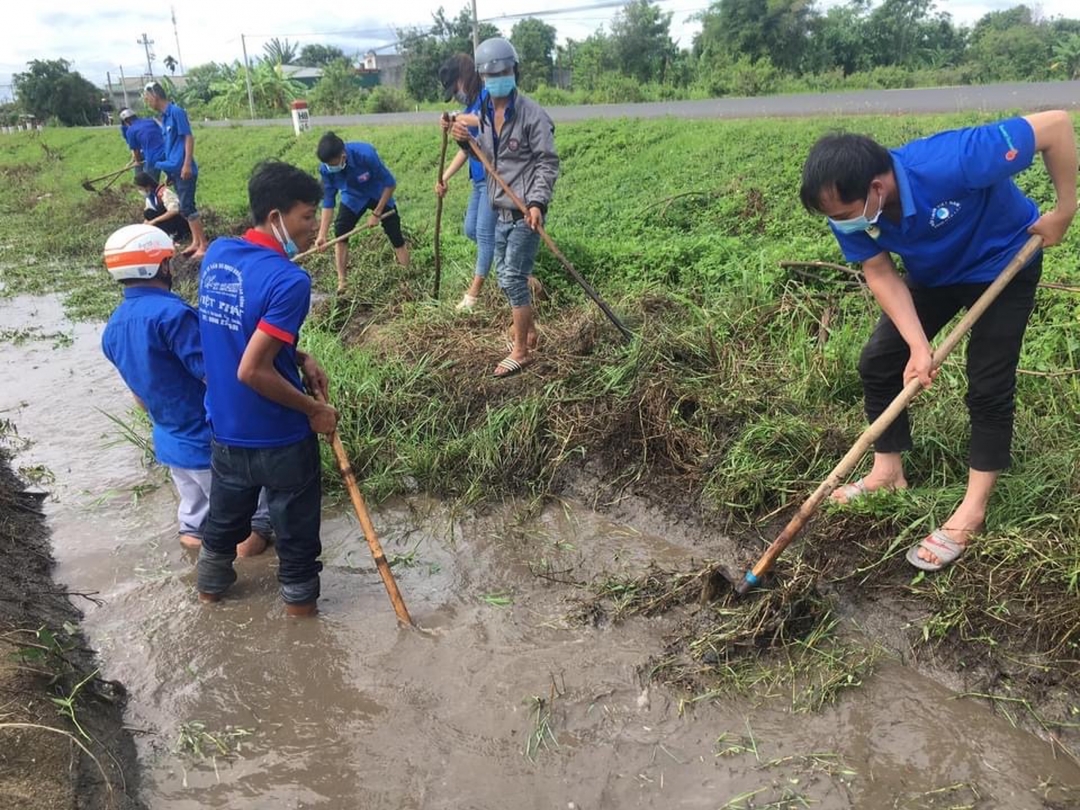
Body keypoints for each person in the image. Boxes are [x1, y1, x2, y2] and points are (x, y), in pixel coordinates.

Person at [799, 111, 1077, 571]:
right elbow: (879, 270)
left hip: (1005, 259)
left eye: (845, 215)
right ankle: (888, 473)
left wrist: (1064, 209)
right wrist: (917, 346)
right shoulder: (848, 211)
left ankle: (973, 509)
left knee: (988, 383)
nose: (841, 225)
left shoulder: (953, 160)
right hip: (935, 276)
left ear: (877, 187)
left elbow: (1056, 127)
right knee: (879, 362)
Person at [196, 160, 339, 616]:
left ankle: (209, 596)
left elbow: (238, 333)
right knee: (296, 541)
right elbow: (252, 370)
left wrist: (299, 356)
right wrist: (313, 411)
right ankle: (303, 626)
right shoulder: (290, 280)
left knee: (221, 527)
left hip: (226, 430)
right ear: (275, 216)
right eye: (305, 215)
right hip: (280, 438)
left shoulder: (217, 254)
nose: (313, 224)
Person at [100, 224, 270, 556]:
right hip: (207, 439)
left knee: (194, 522)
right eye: (168, 260)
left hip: (170, 442)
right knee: (248, 526)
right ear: (161, 266)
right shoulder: (173, 315)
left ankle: (196, 565)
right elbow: (216, 376)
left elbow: (139, 397)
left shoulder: (114, 326)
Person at [450, 37, 559, 378]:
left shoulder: (532, 115)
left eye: (504, 70)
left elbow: (546, 163)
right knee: (507, 275)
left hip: (525, 211)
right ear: (482, 77)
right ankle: (527, 331)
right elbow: (481, 156)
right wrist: (461, 140)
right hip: (498, 208)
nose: (498, 76)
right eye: (491, 73)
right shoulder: (482, 115)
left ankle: (522, 351)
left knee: (511, 277)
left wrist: (538, 202)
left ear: (514, 72)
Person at [314, 131, 410, 295]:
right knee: (341, 233)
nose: (331, 167)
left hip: (379, 193)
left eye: (333, 163)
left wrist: (378, 213)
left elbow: (390, 184)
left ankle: (406, 277)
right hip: (353, 197)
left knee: (395, 235)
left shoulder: (366, 154)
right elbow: (329, 202)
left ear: (343, 154)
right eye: (328, 164)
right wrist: (322, 235)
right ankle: (342, 283)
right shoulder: (326, 169)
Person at [142, 81, 209, 259]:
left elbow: (188, 138)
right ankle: (195, 242)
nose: (147, 101)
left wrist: (187, 164)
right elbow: (172, 146)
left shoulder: (176, 112)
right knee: (185, 208)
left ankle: (203, 244)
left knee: (188, 206)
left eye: (147, 98)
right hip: (175, 169)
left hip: (184, 169)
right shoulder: (164, 118)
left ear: (155, 96)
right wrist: (170, 174)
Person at [134, 171, 191, 243]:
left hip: (179, 221)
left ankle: (175, 234)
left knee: (160, 208)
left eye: (141, 188)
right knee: (148, 213)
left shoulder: (164, 193)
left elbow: (174, 211)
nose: (140, 191)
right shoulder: (150, 197)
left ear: (148, 186)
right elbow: (148, 217)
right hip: (167, 221)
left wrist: (155, 221)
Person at [119, 108, 165, 181]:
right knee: (175, 179)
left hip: (153, 157)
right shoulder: (150, 121)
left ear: (127, 121)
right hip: (168, 152)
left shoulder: (131, 130)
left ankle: (150, 190)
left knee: (150, 183)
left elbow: (136, 150)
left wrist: (137, 162)